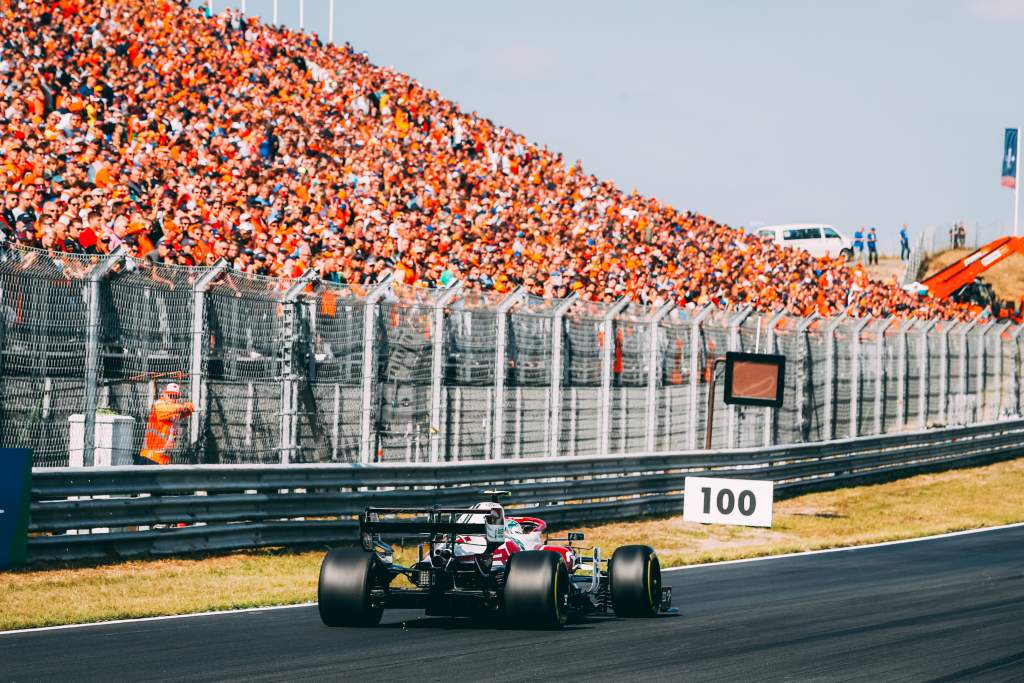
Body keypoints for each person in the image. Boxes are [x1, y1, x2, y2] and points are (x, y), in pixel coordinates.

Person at [137, 383, 194, 465]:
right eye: (170, 395)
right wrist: (183, 407)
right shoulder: (159, 404)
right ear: (165, 394)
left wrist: (189, 407)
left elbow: (185, 411)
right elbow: (169, 409)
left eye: (176, 396)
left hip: (163, 458)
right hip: (150, 456)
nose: (173, 398)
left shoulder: (174, 410)